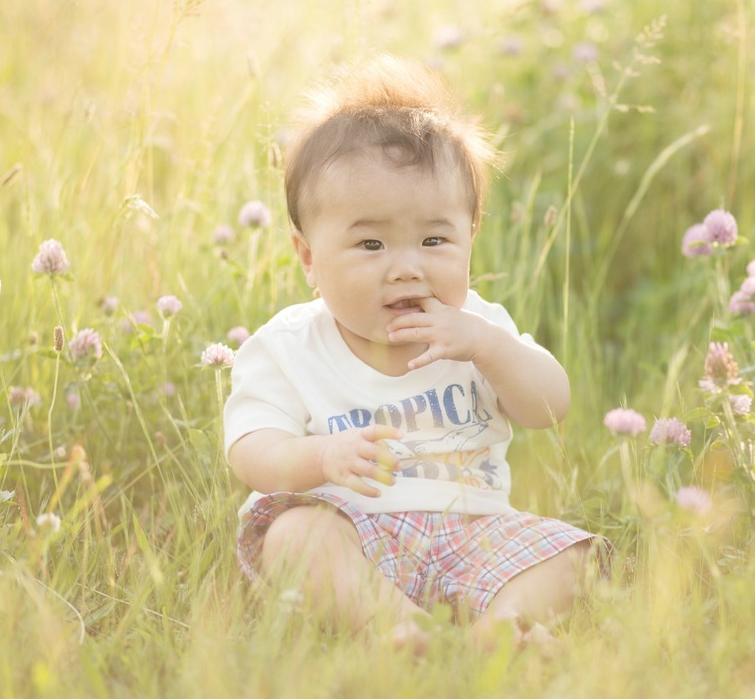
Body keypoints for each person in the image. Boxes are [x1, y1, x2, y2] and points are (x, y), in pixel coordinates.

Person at [223, 55, 607, 651]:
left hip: (478, 534)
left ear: (471, 233)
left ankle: (499, 630)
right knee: (294, 535)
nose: (407, 268)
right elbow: (253, 451)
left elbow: (550, 407)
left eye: (434, 239)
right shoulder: (288, 345)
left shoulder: (479, 328)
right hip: (355, 535)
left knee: (575, 555)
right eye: (371, 243)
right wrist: (322, 457)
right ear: (307, 256)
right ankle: (394, 627)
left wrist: (489, 348)